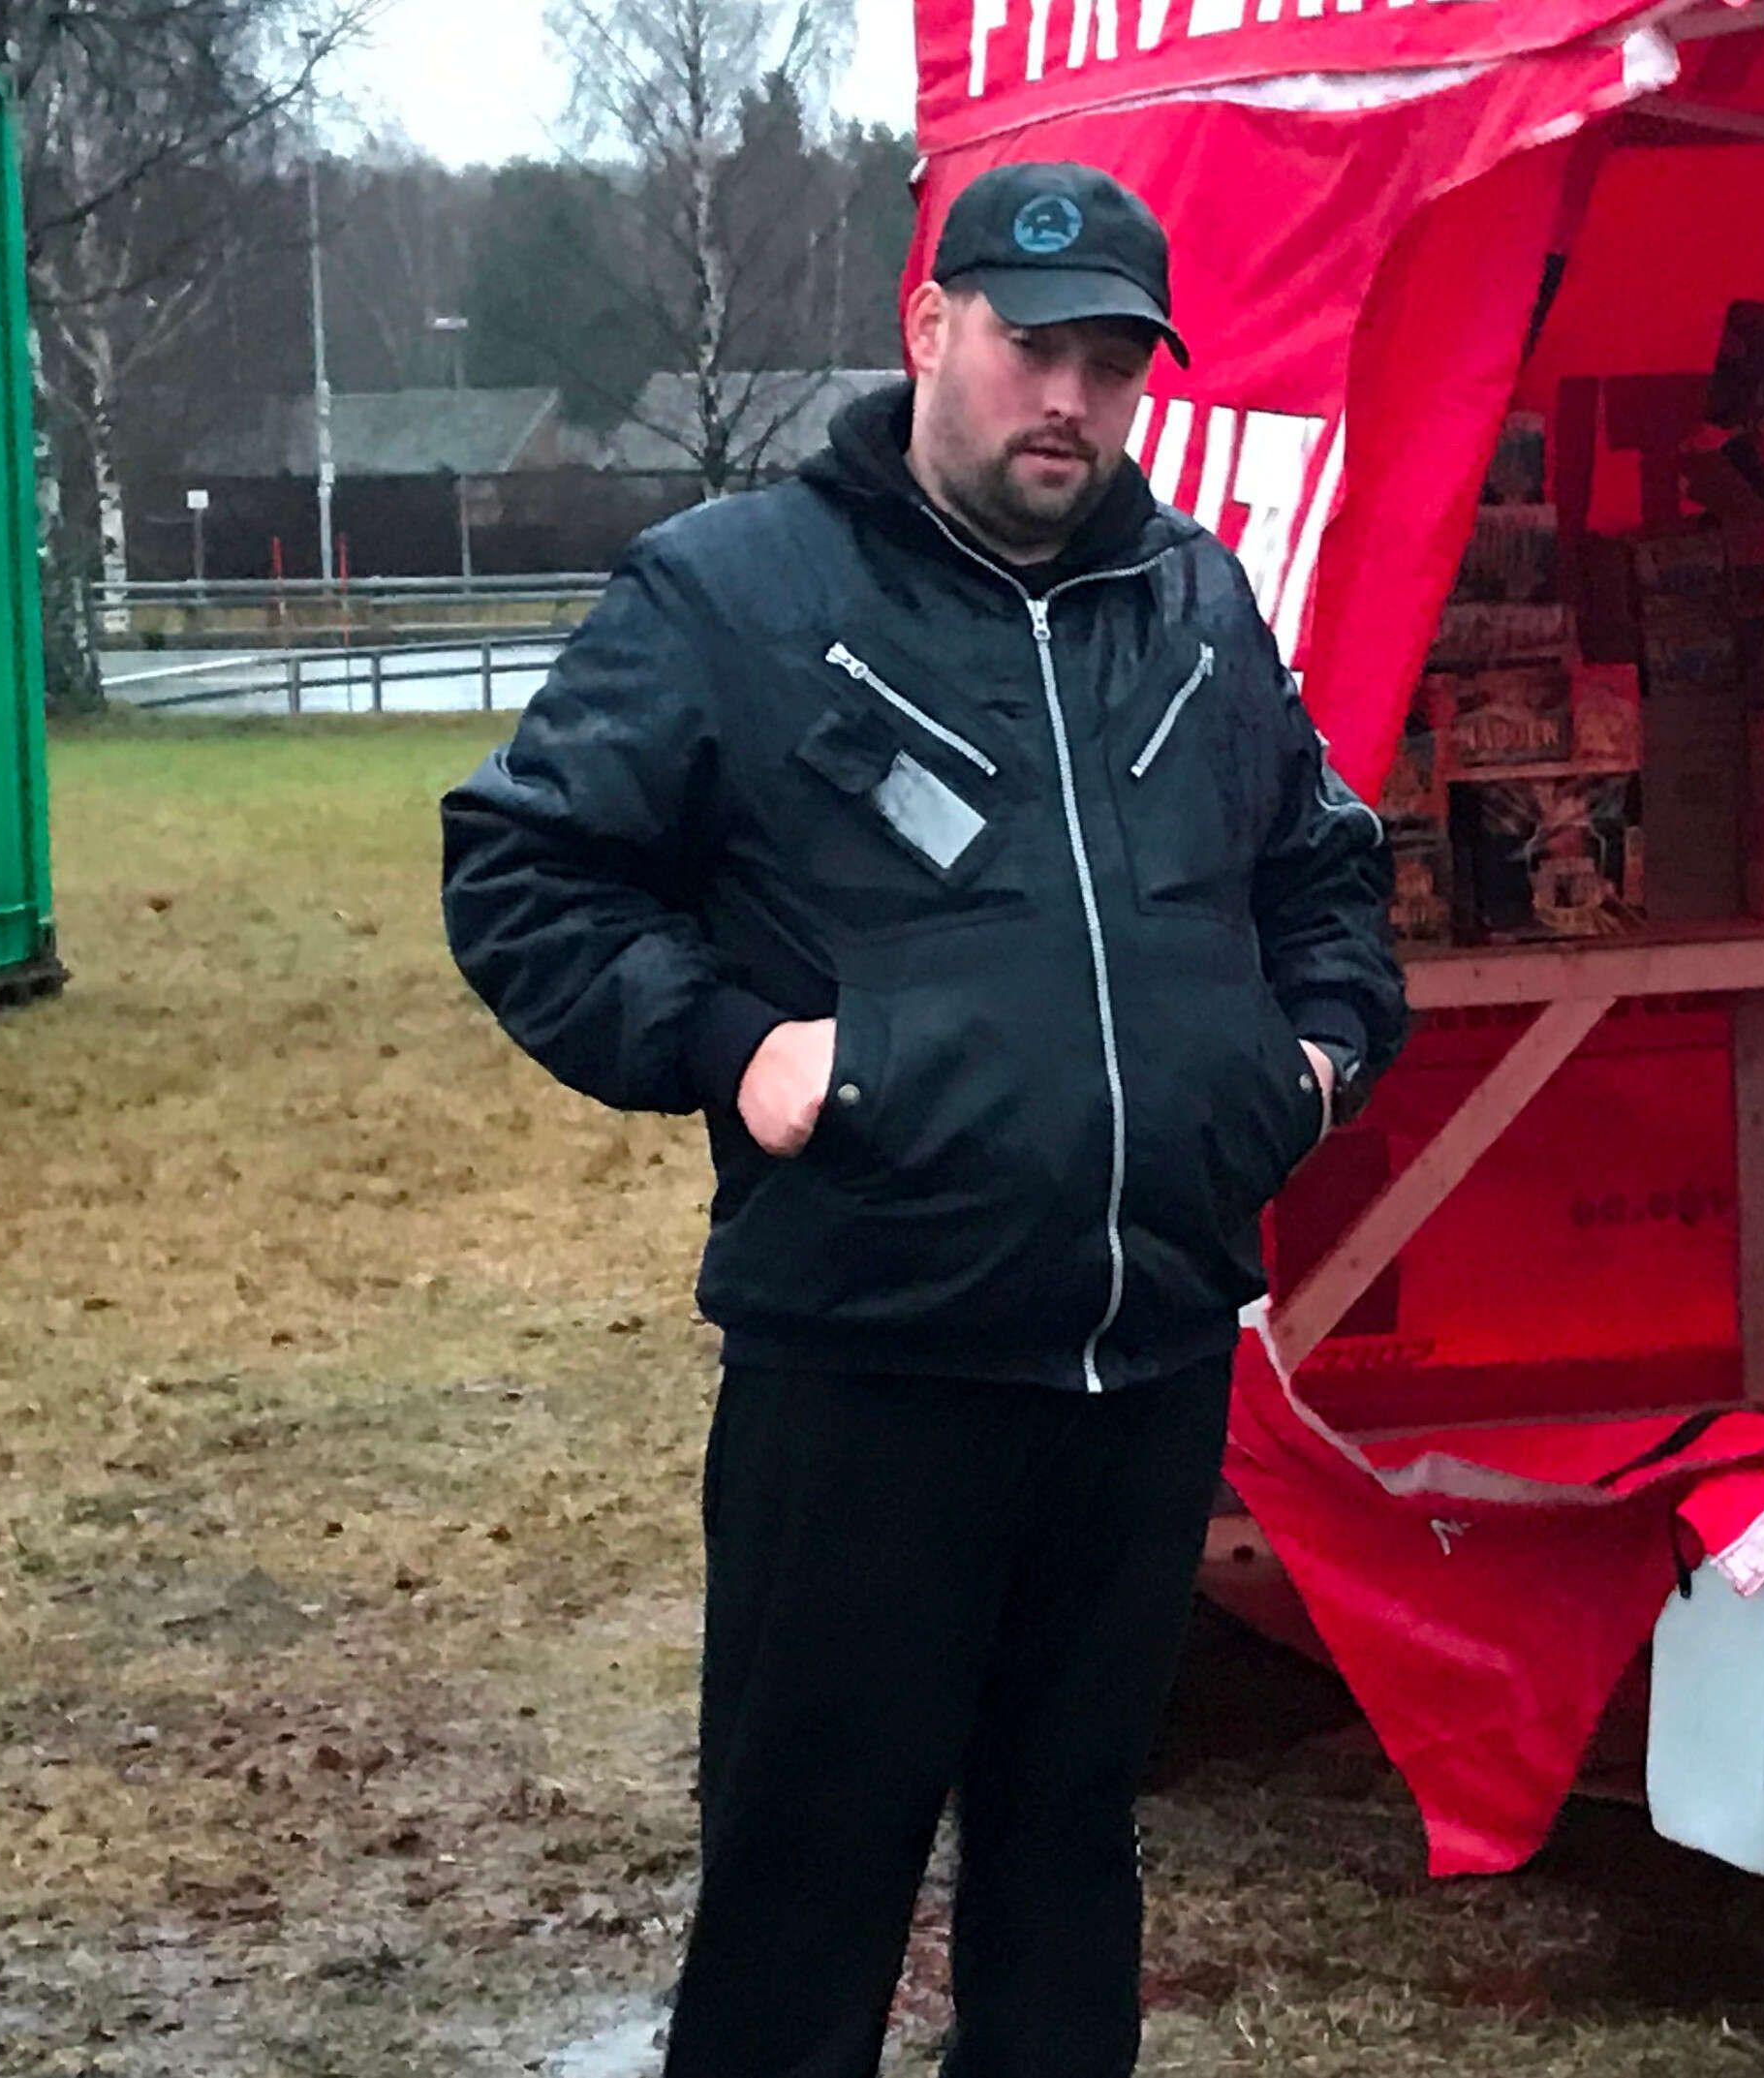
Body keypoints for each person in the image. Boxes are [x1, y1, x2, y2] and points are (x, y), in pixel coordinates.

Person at [438, 161, 1408, 2078]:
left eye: (1111, 362)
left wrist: (1304, 1064)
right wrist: (730, 1041)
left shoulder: (1193, 604)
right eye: (1030, 345)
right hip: (868, 1370)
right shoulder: (734, 593)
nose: (1070, 396)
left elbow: (1324, 877)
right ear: (927, 325)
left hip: (1141, 1365)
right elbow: (522, 869)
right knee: (806, 1890)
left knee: (1068, 1859)